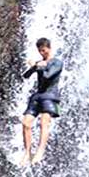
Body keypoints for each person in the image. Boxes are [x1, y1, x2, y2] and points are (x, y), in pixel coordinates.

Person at [20, 37, 63, 166]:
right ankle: (27, 152)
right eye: (39, 51)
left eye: (43, 50)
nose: (41, 53)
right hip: (37, 96)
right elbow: (26, 76)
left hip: (50, 95)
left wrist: (40, 67)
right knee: (26, 123)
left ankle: (40, 151)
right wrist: (34, 66)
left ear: (49, 48)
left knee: (44, 122)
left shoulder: (57, 62)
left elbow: (48, 75)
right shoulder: (40, 63)